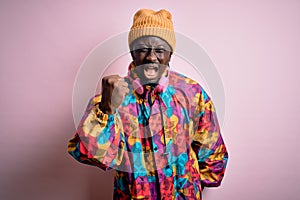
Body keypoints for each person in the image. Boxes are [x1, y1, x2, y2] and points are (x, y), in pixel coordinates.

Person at [68, 9, 228, 200]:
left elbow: (214, 157)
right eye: (143, 49)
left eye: (160, 50)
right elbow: (85, 153)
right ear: (132, 52)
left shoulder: (192, 94)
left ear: (170, 54)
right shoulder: (113, 97)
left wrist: (188, 187)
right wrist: (106, 109)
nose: (152, 57)